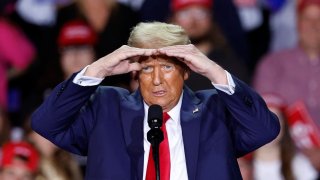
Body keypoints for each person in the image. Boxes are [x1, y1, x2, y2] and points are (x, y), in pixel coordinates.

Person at [31, 22, 280, 179]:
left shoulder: (215, 109)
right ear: (134, 73)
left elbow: (264, 129)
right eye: (148, 69)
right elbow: (46, 123)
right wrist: (97, 71)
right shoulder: (105, 106)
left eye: (168, 68)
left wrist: (214, 71)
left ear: (187, 70)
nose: (157, 80)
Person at [253, 0, 320, 175]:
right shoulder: (273, 63)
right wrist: (307, 150)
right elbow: (262, 115)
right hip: (282, 156)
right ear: (298, 23)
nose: (314, 26)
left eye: (319, 19)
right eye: (308, 19)